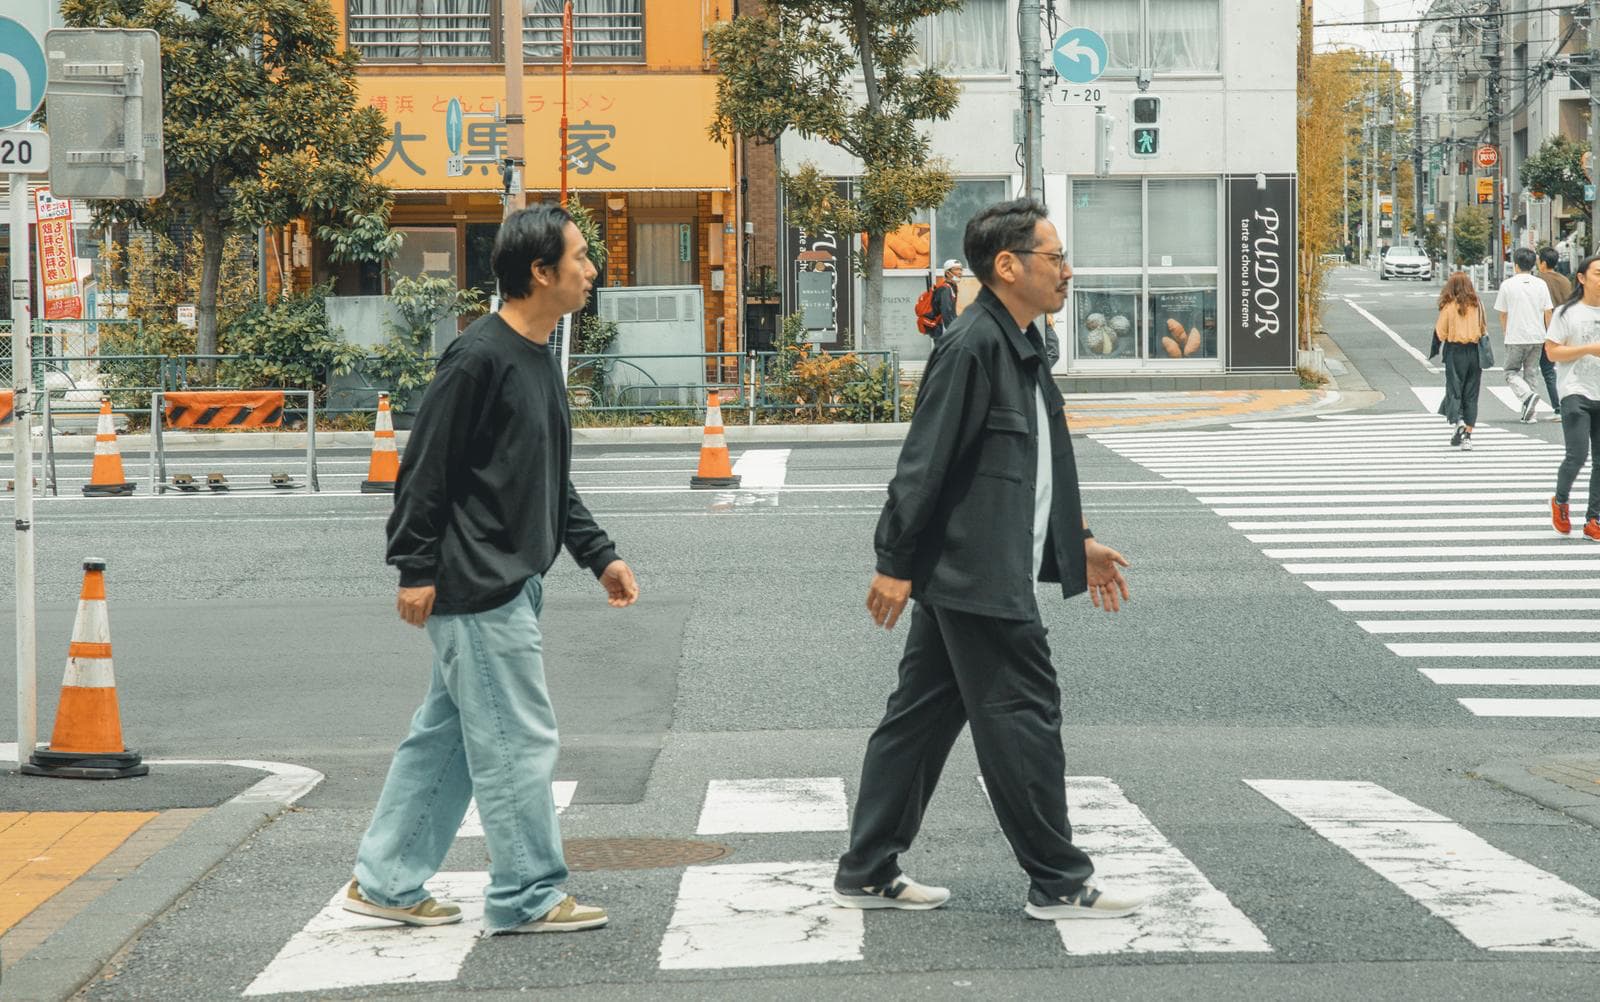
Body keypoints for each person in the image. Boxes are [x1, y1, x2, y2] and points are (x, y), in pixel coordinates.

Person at [833, 198, 1143, 921]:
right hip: (975, 574)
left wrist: (1079, 542)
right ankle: (1059, 881)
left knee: (920, 719)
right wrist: (893, 561)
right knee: (1023, 715)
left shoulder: (1019, 344)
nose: (1068, 270)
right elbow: (924, 464)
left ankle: (867, 868)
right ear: (1008, 266)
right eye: (1055, 256)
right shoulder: (973, 345)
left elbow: (1029, 471)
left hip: (971, 570)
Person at [346, 204, 640, 935]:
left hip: (510, 577)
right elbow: (423, 472)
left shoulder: (537, 353)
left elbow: (544, 474)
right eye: (579, 258)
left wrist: (597, 554)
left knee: (445, 738)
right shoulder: (478, 357)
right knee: (518, 740)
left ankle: (386, 880)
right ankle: (527, 894)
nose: (590, 271)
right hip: (478, 582)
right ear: (540, 272)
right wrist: (414, 567)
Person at [1544, 254, 1600, 540]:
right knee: (1577, 455)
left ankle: (1594, 519)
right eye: (1598, 274)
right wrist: (1588, 349)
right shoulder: (1566, 313)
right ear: (1581, 278)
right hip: (1575, 390)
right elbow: (1552, 352)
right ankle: (1561, 501)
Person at [1494, 247, 1554, 423]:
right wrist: (1549, 335)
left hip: (1516, 336)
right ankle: (1531, 414)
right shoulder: (1540, 284)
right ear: (1533, 264)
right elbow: (1548, 312)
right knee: (1531, 373)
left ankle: (1527, 396)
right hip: (1538, 336)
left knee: (1510, 372)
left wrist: (1506, 332)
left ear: (1516, 265)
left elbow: (1503, 313)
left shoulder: (1507, 285)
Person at [1433, 271, 1487, 451]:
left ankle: (1460, 422)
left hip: (1455, 352)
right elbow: (1483, 327)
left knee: (1454, 390)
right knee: (1471, 394)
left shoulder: (1449, 306)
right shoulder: (1477, 304)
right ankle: (1467, 436)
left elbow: (1441, 332)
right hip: (1474, 352)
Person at [1536, 246, 1571, 418]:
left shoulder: (1539, 280)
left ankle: (1558, 407)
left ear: (1542, 263)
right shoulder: (1565, 280)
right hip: (1566, 327)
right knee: (1564, 368)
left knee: (1547, 369)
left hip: (1546, 329)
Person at [930, 259, 963, 339]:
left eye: (960, 269)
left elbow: (952, 313)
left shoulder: (952, 287)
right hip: (942, 331)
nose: (960, 272)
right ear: (948, 273)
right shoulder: (945, 289)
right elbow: (946, 313)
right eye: (956, 269)